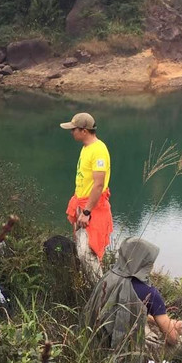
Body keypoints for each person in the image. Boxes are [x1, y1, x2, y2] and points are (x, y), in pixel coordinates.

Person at [85, 238, 182, 352]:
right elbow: (172, 339)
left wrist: (157, 321)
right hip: (125, 350)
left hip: (93, 340)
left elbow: (127, 310)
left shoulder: (108, 277)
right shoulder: (150, 292)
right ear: (146, 264)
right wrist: (174, 327)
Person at [61, 112, 114, 264]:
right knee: (81, 250)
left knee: (89, 253)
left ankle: (98, 286)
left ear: (84, 131)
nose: (71, 132)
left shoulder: (98, 150)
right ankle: (85, 284)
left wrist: (86, 212)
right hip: (82, 204)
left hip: (91, 209)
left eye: (74, 129)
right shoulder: (86, 147)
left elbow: (98, 184)